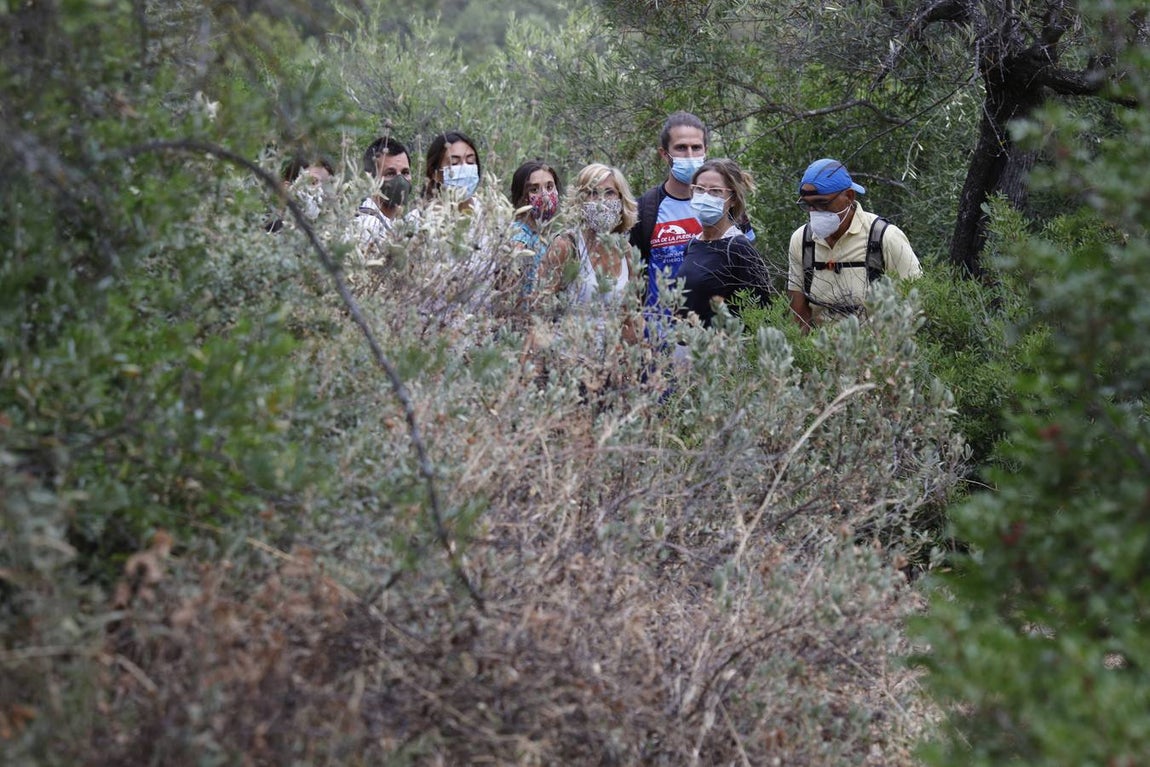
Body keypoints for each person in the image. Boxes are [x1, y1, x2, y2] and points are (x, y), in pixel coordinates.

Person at [787, 158, 922, 332]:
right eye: (808, 205)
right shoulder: (802, 240)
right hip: (821, 352)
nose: (814, 212)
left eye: (822, 203)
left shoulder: (885, 237)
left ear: (849, 196)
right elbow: (798, 316)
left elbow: (917, 304)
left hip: (877, 353)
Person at [678, 159, 774, 326]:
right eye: (699, 189)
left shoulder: (739, 249)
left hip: (723, 348)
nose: (705, 196)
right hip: (688, 346)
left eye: (715, 191)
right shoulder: (693, 244)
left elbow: (761, 314)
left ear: (733, 199)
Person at [629, 111, 709, 310]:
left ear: (706, 150)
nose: (690, 155)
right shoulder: (645, 210)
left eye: (696, 147)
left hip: (717, 334)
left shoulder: (725, 203)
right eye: (681, 148)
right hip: (662, 332)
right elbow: (632, 278)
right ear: (665, 154)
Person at [538, 163, 637, 307]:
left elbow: (631, 315)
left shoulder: (625, 250)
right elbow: (539, 305)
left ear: (621, 199)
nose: (602, 201)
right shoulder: (566, 246)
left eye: (609, 193)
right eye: (593, 193)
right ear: (580, 200)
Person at [508, 160, 562, 295]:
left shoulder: (544, 234)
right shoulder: (519, 236)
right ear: (520, 197)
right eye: (534, 190)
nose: (544, 197)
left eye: (549, 187)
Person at [355, 135, 413, 246]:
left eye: (405, 172)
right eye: (390, 173)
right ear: (371, 179)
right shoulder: (367, 226)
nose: (401, 181)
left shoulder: (398, 224)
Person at [265, 154, 335, 233]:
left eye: (323, 187)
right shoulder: (266, 218)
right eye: (314, 181)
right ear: (287, 186)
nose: (319, 190)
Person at [422, 130, 482, 211]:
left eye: (470, 161)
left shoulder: (493, 215)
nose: (464, 168)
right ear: (434, 173)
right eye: (454, 163)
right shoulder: (418, 219)